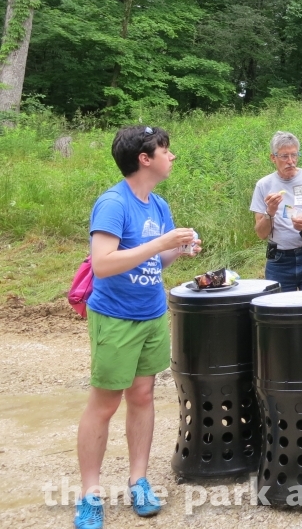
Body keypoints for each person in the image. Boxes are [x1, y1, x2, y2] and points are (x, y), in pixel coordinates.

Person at [75, 126, 202, 529]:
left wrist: (178, 250)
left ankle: (139, 481)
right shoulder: (113, 203)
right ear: (144, 159)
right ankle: (90, 495)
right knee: (105, 402)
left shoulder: (158, 205)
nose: (172, 156)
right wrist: (159, 243)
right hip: (115, 316)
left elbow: (154, 262)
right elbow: (104, 263)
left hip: (151, 313)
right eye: (166, 149)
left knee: (143, 395)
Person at [250, 131, 302, 292]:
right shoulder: (263, 185)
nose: (291, 161)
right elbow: (261, 234)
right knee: (280, 312)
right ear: (273, 158)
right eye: (284, 156)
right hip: (279, 260)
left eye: (294, 155)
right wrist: (270, 212)